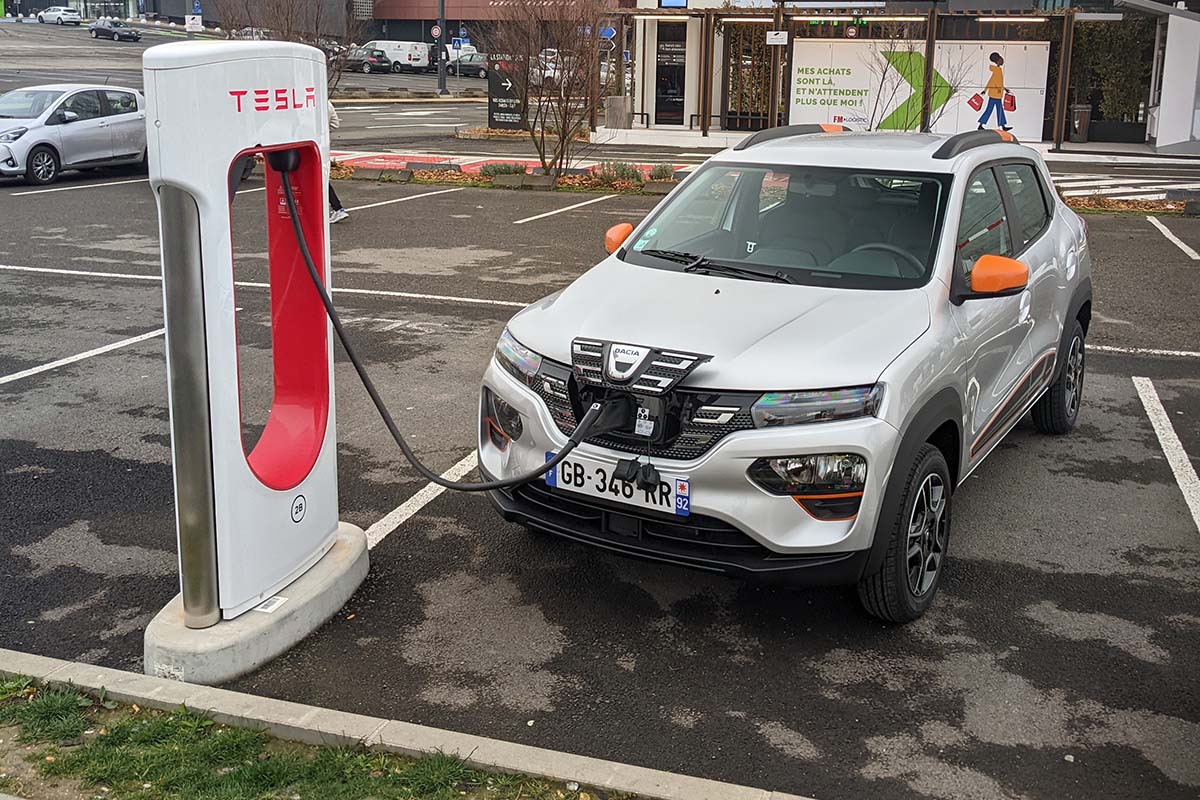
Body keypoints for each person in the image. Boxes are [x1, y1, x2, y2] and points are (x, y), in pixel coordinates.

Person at [978, 52, 1012, 132]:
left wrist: (1004, 89)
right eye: (1000, 59)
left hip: (997, 94)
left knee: (997, 110)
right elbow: (991, 81)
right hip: (995, 94)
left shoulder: (998, 70)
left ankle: (1002, 126)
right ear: (997, 61)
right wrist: (985, 90)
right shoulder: (997, 71)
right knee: (991, 110)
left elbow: (998, 82)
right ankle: (982, 125)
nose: (1002, 60)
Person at [328, 100, 349, 224]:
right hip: (322, 143)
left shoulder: (306, 101)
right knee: (322, 179)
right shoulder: (328, 103)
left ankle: (337, 208)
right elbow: (335, 124)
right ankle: (337, 208)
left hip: (304, 144)